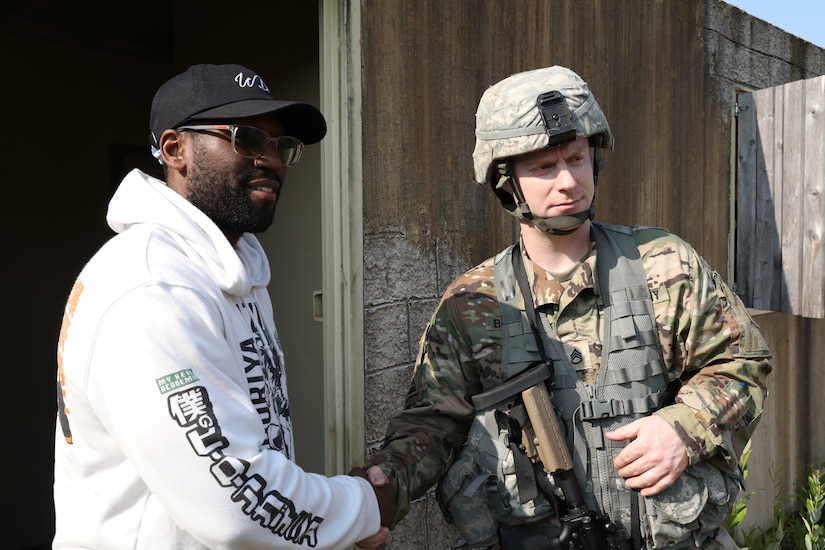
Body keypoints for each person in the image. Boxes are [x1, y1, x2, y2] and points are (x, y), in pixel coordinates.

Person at [358, 66, 772, 549]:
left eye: (576, 158)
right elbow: (432, 423)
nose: (568, 182)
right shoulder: (473, 302)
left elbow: (742, 363)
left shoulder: (664, 262)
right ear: (506, 182)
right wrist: (377, 495)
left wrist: (684, 429)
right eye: (542, 168)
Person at [53, 63, 394, 549]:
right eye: (248, 138)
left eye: (281, 146)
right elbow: (234, 504)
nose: (271, 160)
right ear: (176, 150)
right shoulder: (151, 287)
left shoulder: (233, 268)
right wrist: (360, 506)